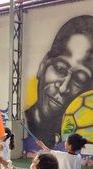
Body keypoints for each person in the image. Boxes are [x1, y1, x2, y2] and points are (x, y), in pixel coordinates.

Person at [25, 15, 93, 149]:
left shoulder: (78, 141)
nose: (63, 88)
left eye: (79, 79)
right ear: (43, 65)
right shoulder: (24, 126)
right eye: (60, 68)